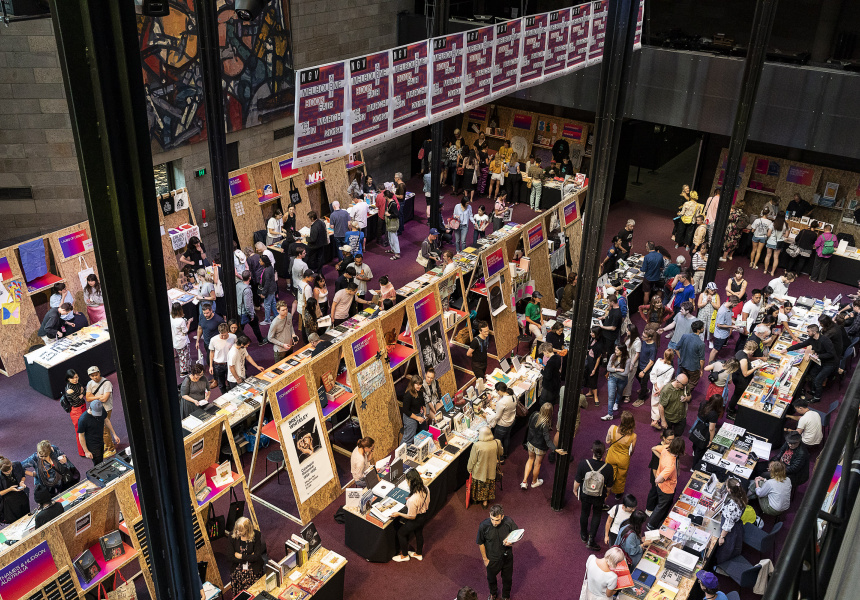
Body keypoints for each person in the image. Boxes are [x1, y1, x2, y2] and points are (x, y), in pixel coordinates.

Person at [573, 440, 615, 552]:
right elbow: (610, 485)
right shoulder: (608, 468)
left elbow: (577, 480)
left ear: (592, 451)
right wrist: (606, 495)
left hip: (585, 494)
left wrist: (575, 490)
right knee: (597, 515)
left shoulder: (583, 463)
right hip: (599, 495)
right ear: (604, 453)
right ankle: (591, 539)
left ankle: (583, 534)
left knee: (584, 513)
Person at [521, 403, 567, 489]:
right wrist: (555, 450)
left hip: (530, 442)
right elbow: (548, 440)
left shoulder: (534, 414)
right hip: (540, 447)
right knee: (537, 464)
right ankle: (534, 482)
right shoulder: (545, 424)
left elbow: (529, 427)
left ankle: (524, 481)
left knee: (530, 459)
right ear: (550, 412)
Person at [477, 504, 517, 600]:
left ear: (502, 517)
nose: (494, 523)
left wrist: (511, 542)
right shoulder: (483, 526)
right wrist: (485, 559)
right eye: (492, 519)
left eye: (497, 520)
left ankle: (506, 596)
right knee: (491, 579)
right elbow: (480, 542)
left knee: (507, 579)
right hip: (492, 559)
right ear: (489, 515)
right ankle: (493, 593)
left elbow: (517, 533)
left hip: (507, 558)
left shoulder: (509, 522)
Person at [788, 324, 836, 403]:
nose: (807, 333)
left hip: (829, 363)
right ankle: (814, 391)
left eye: (808, 331)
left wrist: (819, 356)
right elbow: (801, 344)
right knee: (812, 373)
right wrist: (788, 349)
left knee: (818, 380)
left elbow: (831, 354)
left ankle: (817, 397)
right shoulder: (812, 339)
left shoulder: (825, 340)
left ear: (814, 332)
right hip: (821, 361)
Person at [392, 469, 431, 562]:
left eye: (407, 481)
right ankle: (419, 553)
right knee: (418, 533)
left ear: (410, 481)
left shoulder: (413, 500)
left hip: (416, 519)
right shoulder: (425, 488)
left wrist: (398, 514)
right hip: (424, 515)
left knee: (401, 533)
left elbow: (411, 516)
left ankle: (404, 555)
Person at [646, 437, 684, 530]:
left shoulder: (665, 448)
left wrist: (661, 458)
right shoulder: (670, 465)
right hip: (667, 489)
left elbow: (653, 448)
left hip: (661, 486)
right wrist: (666, 479)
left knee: (662, 505)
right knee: (661, 507)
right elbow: (658, 480)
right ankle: (651, 524)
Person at [467, 427, 503, 508]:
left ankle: (476, 499)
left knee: (478, 486)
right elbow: (501, 453)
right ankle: (485, 502)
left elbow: (472, 460)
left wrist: (469, 469)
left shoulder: (477, 445)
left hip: (479, 471)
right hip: (491, 471)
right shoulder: (497, 442)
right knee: (487, 486)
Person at [714, 478, 747, 564]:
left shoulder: (732, 506)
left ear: (730, 489)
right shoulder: (742, 496)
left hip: (731, 530)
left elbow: (728, 524)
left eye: (727, 486)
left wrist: (722, 537)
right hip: (737, 525)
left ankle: (721, 564)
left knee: (726, 548)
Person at [85, 366, 116, 456]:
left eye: (96, 374)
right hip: (96, 409)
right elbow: (87, 398)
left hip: (105, 409)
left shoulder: (107, 383)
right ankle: (107, 443)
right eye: (92, 376)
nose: (95, 377)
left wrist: (94, 398)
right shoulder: (90, 383)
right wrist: (99, 397)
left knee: (104, 430)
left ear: (99, 373)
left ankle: (111, 449)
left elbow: (105, 399)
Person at [227, 517, 265, 592]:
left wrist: (241, 556)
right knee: (238, 577)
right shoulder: (232, 535)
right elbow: (230, 557)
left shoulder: (256, 535)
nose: (237, 532)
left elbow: (257, 557)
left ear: (247, 529)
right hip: (237, 567)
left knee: (251, 581)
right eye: (237, 529)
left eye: (240, 530)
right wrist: (249, 557)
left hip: (253, 567)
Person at [77, 400, 120, 466]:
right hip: (92, 444)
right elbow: (81, 436)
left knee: (101, 457)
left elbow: (106, 420)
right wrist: (86, 451)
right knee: (98, 463)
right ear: (89, 408)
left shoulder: (101, 409)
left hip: (100, 439)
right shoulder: (83, 419)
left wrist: (114, 434)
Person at [605, 412, 637, 497]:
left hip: (612, 455)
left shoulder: (612, 428)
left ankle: (606, 489)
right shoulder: (633, 436)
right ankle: (618, 493)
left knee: (609, 473)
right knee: (621, 477)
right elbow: (632, 450)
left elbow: (607, 441)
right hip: (623, 458)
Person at [690, 393, 723, 465]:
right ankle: (694, 466)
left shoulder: (703, 403)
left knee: (695, 441)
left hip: (698, 425)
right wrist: (711, 440)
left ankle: (694, 452)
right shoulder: (713, 414)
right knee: (700, 449)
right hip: (704, 431)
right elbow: (711, 428)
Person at [236, 271, 266, 345]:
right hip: (246, 313)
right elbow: (248, 305)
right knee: (255, 325)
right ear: (250, 278)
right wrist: (252, 315)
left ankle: (239, 342)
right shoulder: (247, 290)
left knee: (240, 329)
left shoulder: (238, 285)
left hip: (239, 311)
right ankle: (261, 341)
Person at [648, 349, 675, 429]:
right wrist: (660, 390)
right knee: (661, 404)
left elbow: (653, 373)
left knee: (654, 403)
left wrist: (655, 385)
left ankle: (654, 420)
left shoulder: (658, 361)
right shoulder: (671, 369)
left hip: (655, 386)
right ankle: (656, 421)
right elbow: (667, 381)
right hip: (663, 389)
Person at [657, 373, 691, 437]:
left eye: (686, 384)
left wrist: (686, 399)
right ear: (677, 382)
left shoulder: (685, 386)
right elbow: (661, 406)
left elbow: (689, 396)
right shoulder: (667, 390)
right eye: (683, 385)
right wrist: (663, 421)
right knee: (667, 436)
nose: (684, 386)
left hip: (681, 416)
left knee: (678, 435)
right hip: (669, 418)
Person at [603, 344, 630, 420]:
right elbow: (608, 368)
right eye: (615, 350)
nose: (615, 351)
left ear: (622, 351)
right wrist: (617, 370)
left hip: (622, 380)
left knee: (619, 392)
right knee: (611, 396)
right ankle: (610, 414)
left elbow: (625, 373)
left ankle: (617, 402)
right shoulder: (612, 356)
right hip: (612, 378)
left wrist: (613, 370)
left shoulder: (627, 359)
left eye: (617, 350)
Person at [676, 319, 706, 389]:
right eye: (702, 327)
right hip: (693, 368)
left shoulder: (684, 336)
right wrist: (701, 370)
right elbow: (702, 360)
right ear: (699, 330)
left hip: (683, 364)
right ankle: (685, 396)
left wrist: (681, 358)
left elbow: (676, 348)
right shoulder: (701, 343)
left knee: (684, 380)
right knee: (692, 383)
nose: (703, 328)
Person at [0, 456, 29, 523]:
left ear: (11, 464)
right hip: (10, 502)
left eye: (10, 469)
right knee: (17, 522)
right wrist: (10, 489)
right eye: (6, 472)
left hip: (21, 495)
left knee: (27, 516)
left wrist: (22, 482)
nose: (9, 472)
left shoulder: (17, 465)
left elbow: (23, 475)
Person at [632, 329, 657, 407]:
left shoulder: (652, 348)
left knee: (643, 383)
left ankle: (641, 398)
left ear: (649, 338)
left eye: (644, 336)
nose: (642, 337)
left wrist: (644, 372)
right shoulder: (644, 342)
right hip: (640, 364)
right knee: (637, 376)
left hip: (646, 368)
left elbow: (651, 362)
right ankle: (645, 390)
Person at [208, 323, 235, 393]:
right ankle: (224, 396)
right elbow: (211, 353)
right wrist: (211, 366)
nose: (223, 337)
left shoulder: (233, 337)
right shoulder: (213, 340)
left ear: (228, 331)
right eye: (221, 335)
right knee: (221, 384)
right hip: (218, 364)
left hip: (230, 364)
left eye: (225, 335)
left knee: (231, 382)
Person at [400, 376, 426, 445]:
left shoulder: (420, 391)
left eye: (420, 384)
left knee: (424, 430)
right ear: (413, 384)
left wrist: (424, 412)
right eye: (417, 384)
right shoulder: (408, 395)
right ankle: (401, 453)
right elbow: (406, 410)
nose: (419, 386)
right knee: (409, 437)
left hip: (418, 413)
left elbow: (422, 403)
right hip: (410, 416)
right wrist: (417, 418)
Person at [584, 327, 605, 406]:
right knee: (588, 376)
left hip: (593, 362)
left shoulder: (599, 345)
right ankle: (590, 392)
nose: (591, 334)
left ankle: (596, 397)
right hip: (589, 359)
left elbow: (598, 359)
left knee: (593, 379)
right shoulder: (592, 339)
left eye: (593, 333)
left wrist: (594, 369)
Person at [169, 302, 191, 376]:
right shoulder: (181, 321)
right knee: (185, 356)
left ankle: (184, 370)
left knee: (181, 357)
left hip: (176, 341)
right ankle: (184, 372)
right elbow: (185, 331)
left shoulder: (171, 318)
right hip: (182, 341)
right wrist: (189, 323)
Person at [259, 255, 277, 325]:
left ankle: (267, 320)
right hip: (273, 288)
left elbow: (267, 282)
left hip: (269, 290)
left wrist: (263, 293)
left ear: (264, 262)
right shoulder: (270, 267)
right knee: (273, 303)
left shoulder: (267, 270)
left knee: (267, 304)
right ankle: (276, 315)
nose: (259, 262)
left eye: (260, 261)